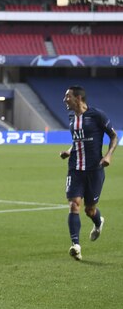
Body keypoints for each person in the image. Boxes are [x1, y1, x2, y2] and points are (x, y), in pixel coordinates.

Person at [60, 85, 117, 261]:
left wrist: (108, 155)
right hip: (75, 168)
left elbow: (114, 136)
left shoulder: (97, 115)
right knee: (74, 204)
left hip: (94, 169)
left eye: (67, 96)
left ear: (78, 98)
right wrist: (70, 151)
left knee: (89, 209)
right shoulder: (71, 117)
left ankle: (98, 222)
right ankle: (76, 245)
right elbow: (77, 140)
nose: (64, 99)